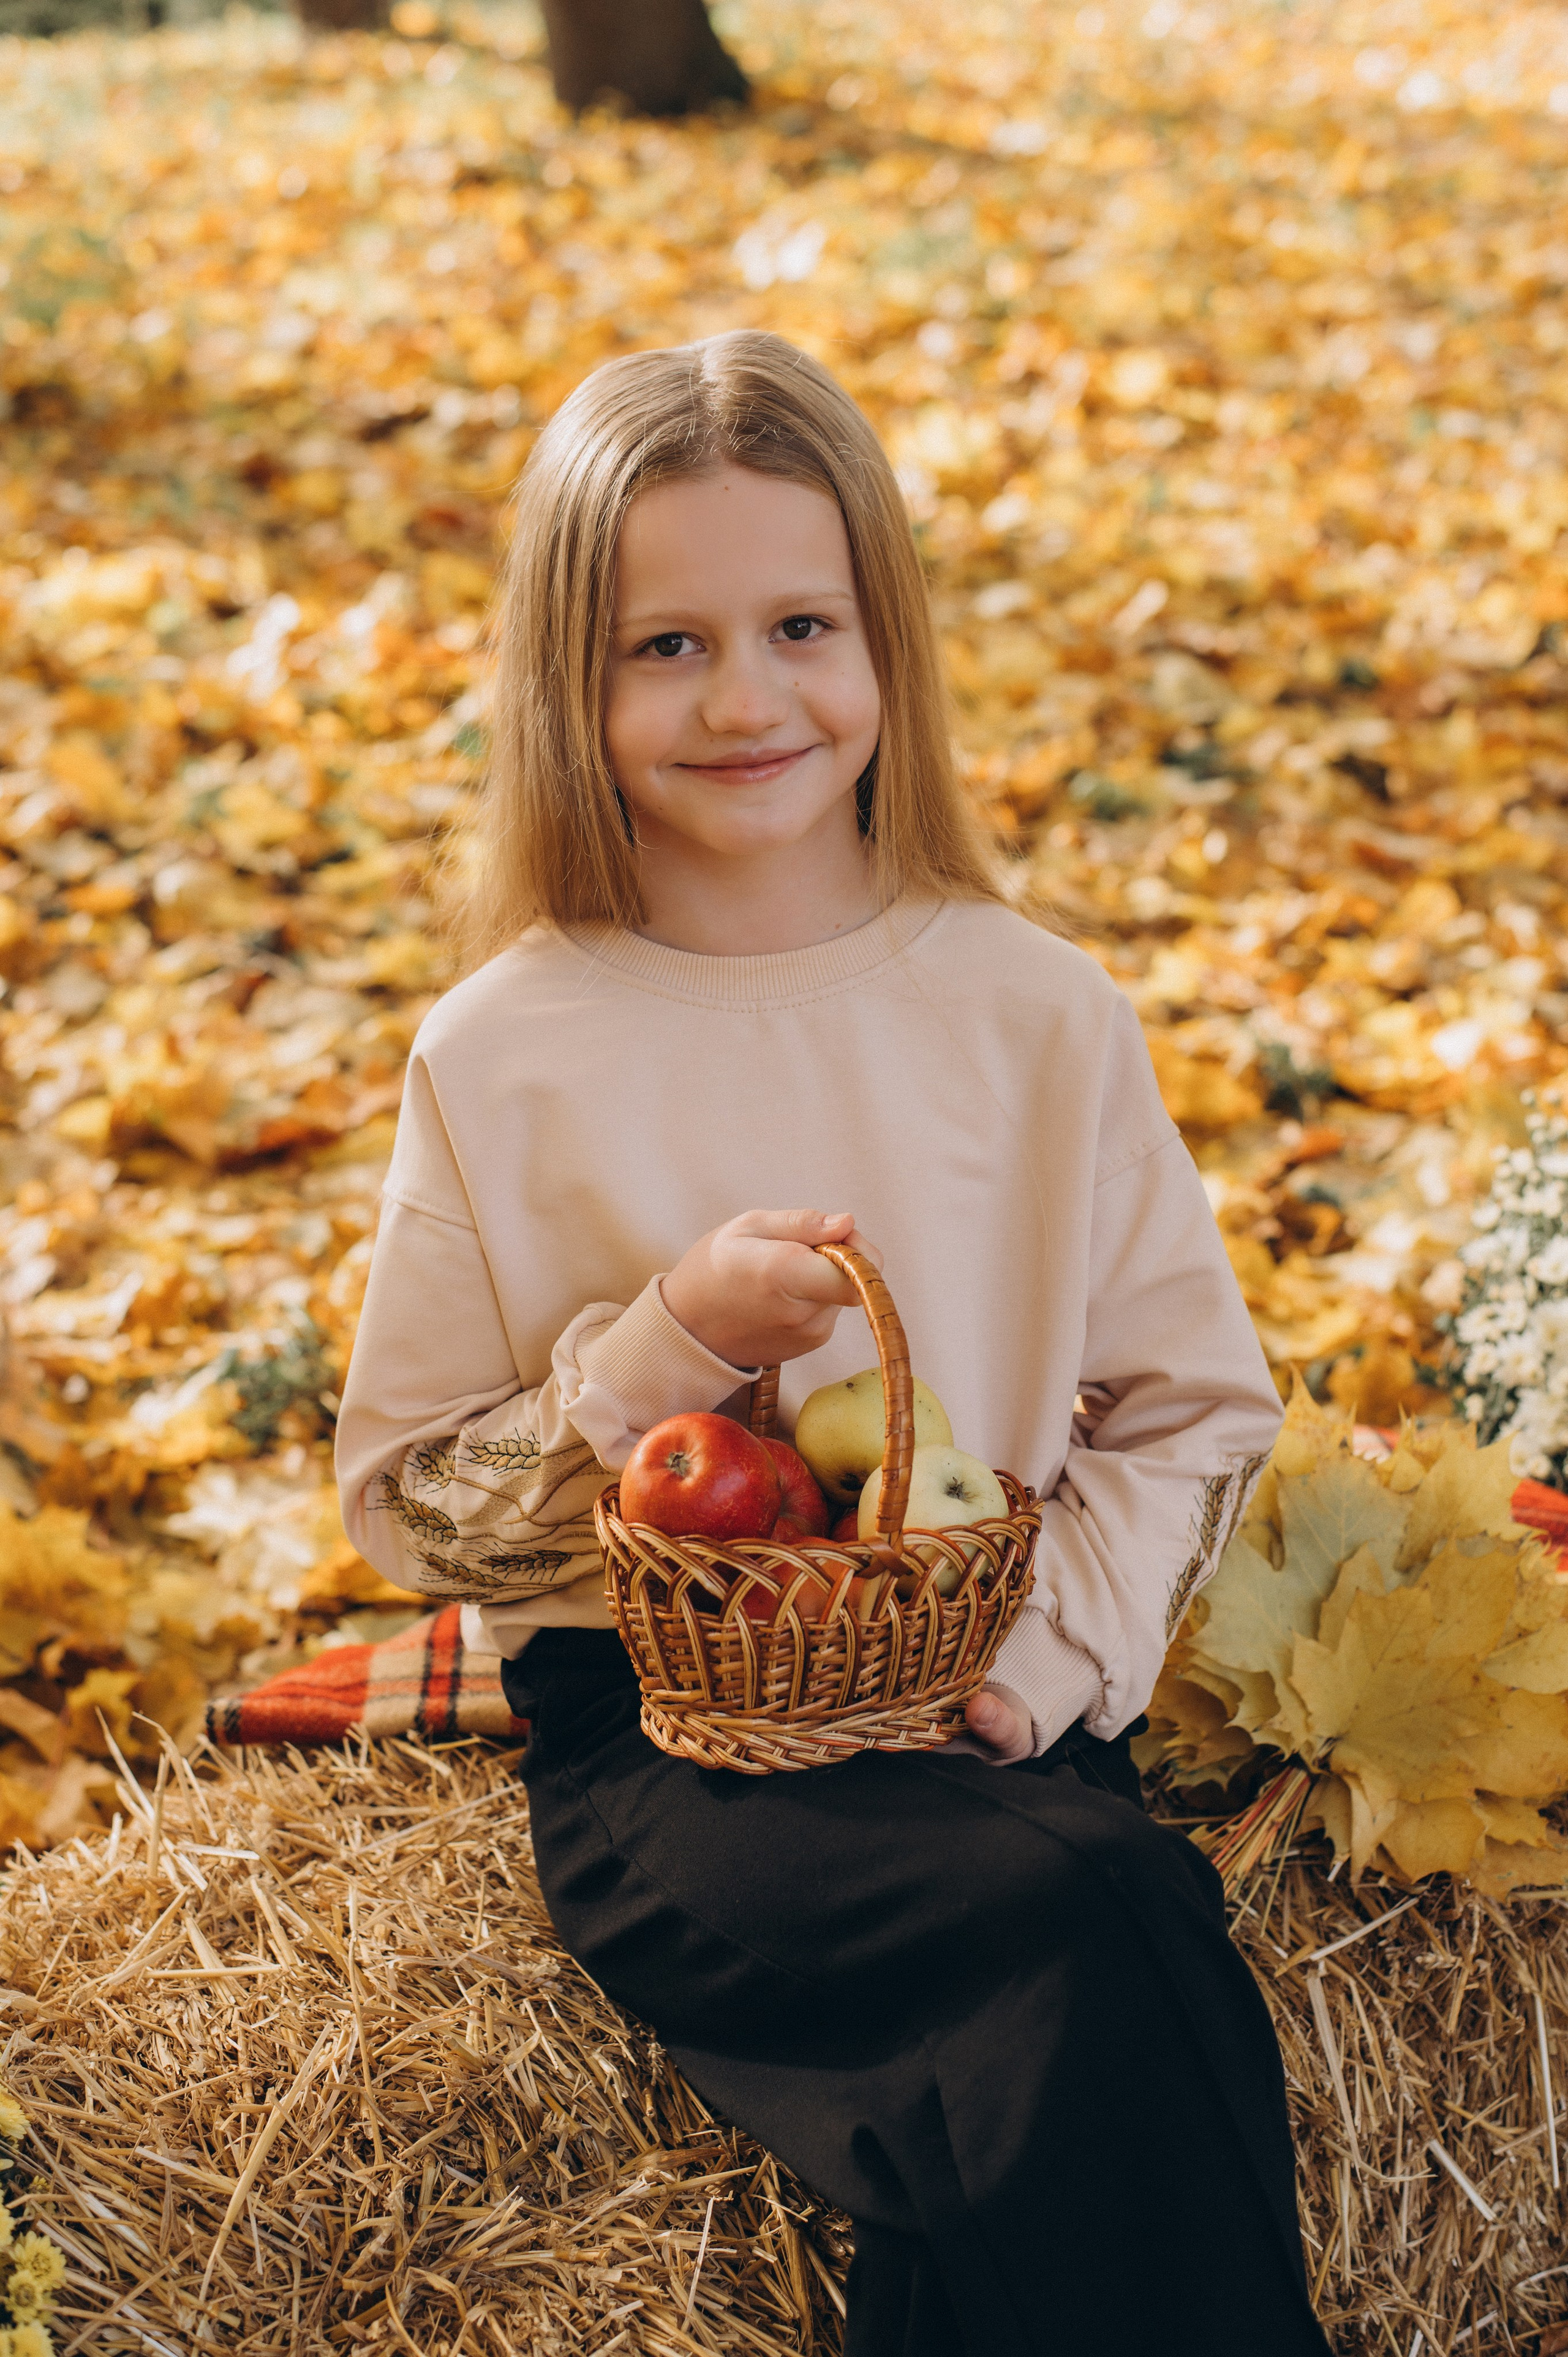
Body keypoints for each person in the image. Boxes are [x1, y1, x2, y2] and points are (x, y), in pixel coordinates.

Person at [336, 330, 1331, 2357]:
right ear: (569, 685)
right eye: (665, 647)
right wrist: (661, 1351)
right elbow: (410, 1503)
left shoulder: (1034, 1010)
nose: (748, 698)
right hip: (683, 1744)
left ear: (887, 642)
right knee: (1102, 1922)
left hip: (988, 1688)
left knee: (1052, 2018)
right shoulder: (508, 1049)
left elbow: (1195, 1407)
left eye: (800, 622)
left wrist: (1047, 1666)